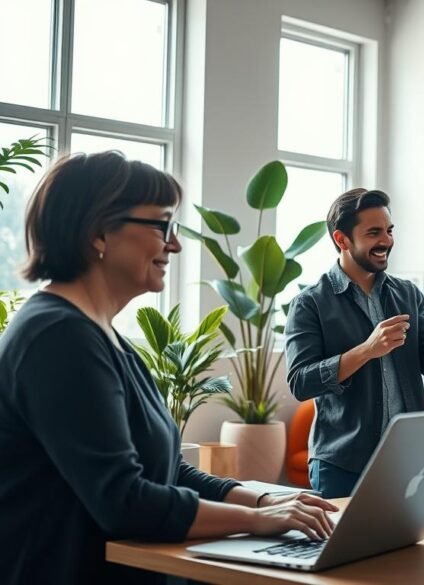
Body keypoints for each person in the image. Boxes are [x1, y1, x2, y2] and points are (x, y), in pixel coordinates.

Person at [0, 152, 338, 584]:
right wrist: (258, 522)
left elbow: (168, 470)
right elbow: (124, 501)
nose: (174, 244)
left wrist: (261, 501)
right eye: (162, 225)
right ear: (98, 232)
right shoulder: (57, 338)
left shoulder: (103, 337)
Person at [285, 188, 424, 498]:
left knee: (410, 546)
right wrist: (366, 350)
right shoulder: (310, 304)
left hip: (408, 460)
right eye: (374, 232)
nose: (386, 240)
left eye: (389, 230)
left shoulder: (407, 294)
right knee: (347, 548)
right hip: (342, 462)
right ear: (342, 240)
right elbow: (300, 382)